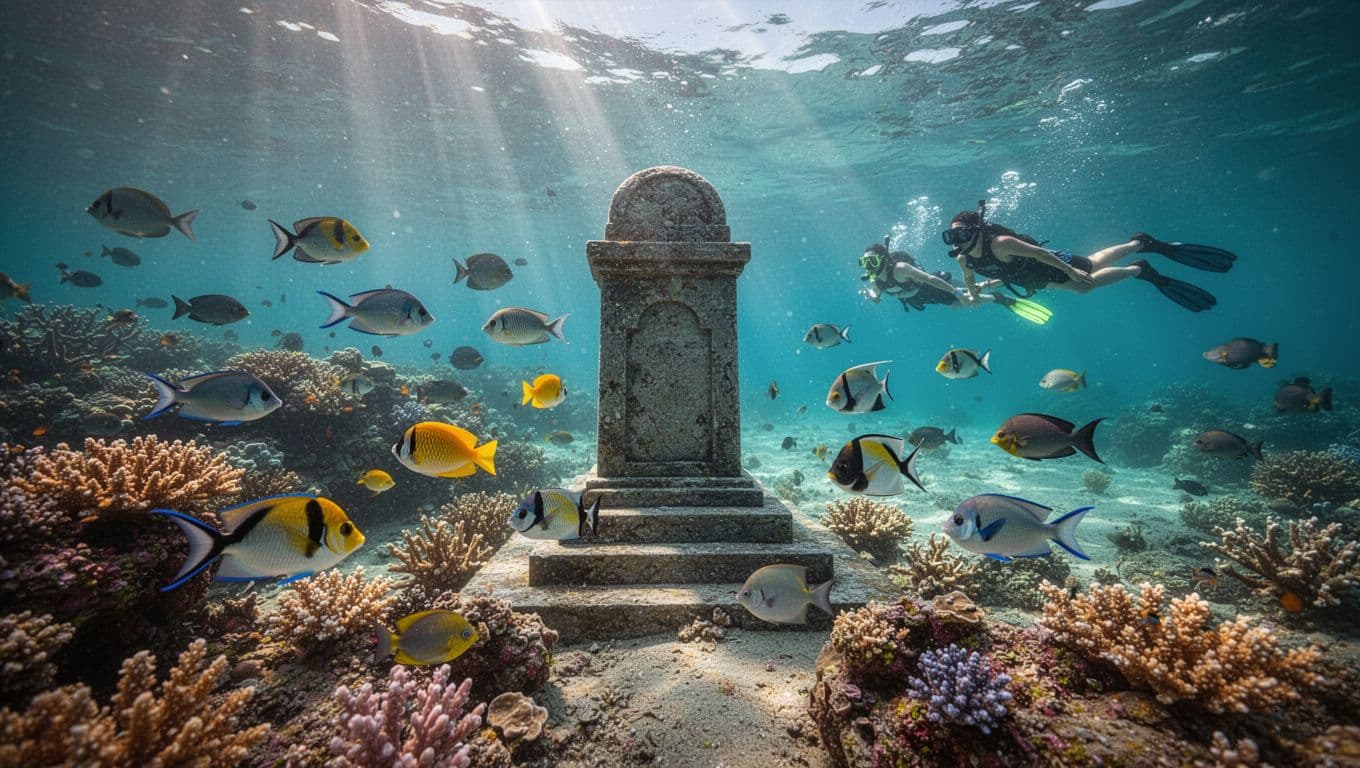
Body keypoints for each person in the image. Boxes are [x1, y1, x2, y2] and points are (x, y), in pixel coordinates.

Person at [944, 200, 1236, 312]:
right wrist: (974, 293)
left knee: (1092, 266)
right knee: (1084, 290)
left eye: (962, 234)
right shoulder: (963, 259)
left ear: (977, 231)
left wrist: (1070, 270)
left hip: (1050, 264)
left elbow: (1040, 253)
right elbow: (971, 278)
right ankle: (1139, 268)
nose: (958, 242)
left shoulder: (1001, 243)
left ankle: (1139, 246)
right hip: (1033, 279)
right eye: (952, 237)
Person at [858, 238, 1052, 325]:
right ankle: (995, 292)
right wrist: (872, 297)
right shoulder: (875, 277)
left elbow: (930, 279)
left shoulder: (900, 269)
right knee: (962, 302)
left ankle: (1000, 292)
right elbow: (876, 293)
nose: (868, 267)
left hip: (934, 286)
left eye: (871, 261)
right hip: (917, 298)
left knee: (968, 296)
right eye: (864, 263)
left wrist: (956, 292)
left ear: (884, 259)